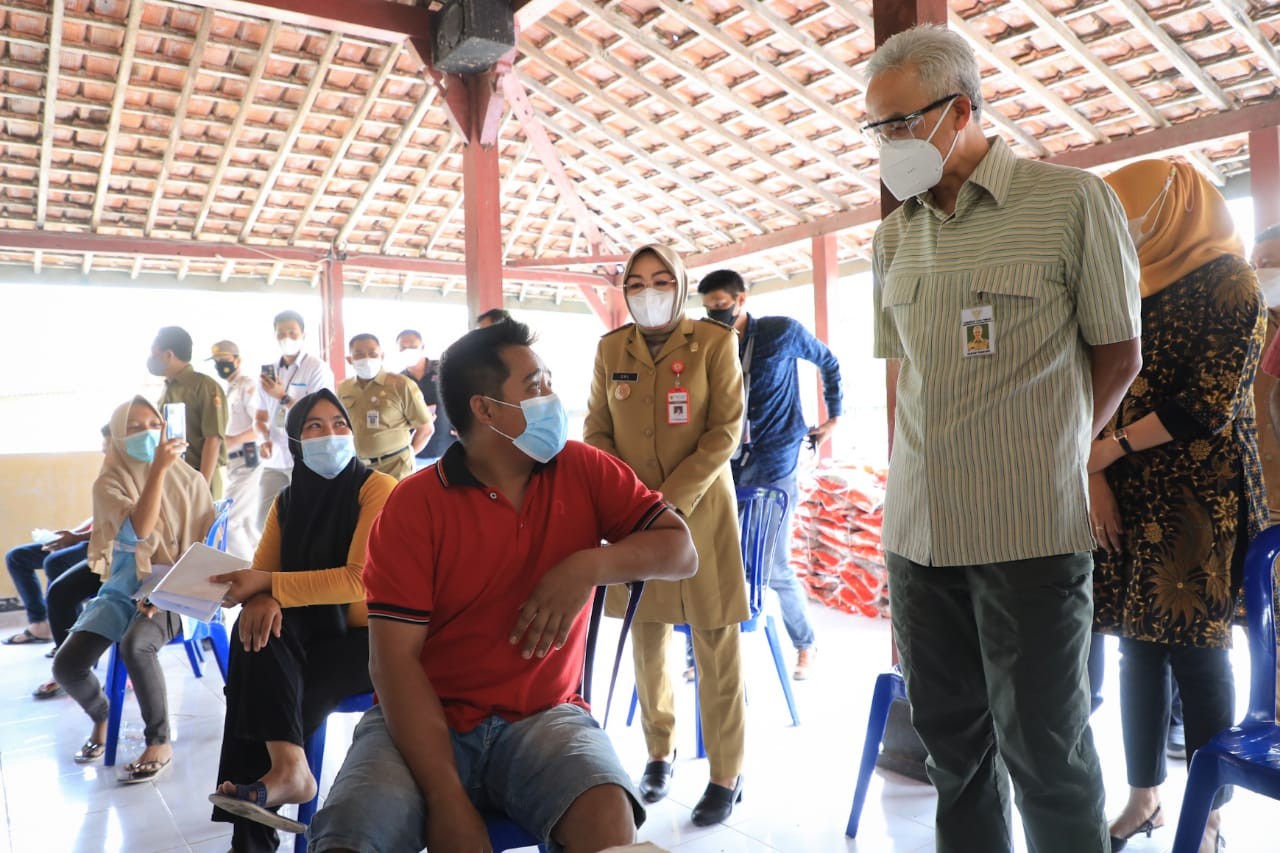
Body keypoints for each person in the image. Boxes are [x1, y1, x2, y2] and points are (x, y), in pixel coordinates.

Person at [865, 25, 1142, 853]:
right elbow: (902, 378)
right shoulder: (893, 238)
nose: (886, 144)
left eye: (897, 123)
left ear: (959, 110)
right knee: (954, 757)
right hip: (920, 538)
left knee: (1047, 757)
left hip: (1027, 533)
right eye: (875, 129)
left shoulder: (1069, 202)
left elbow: (1119, 354)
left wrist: (1054, 453)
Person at [306, 320, 697, 853]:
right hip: (423, 721)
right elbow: (393, 663)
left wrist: (585, 566)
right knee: (350, 835)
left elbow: (681, 551)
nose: (552, 398)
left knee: (609, 817)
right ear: (486, 410)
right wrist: (448, 800)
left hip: (546, 716)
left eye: (550, 382)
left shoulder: (581, 468)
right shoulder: (414, 506)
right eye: (535, 387)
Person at [1090, 159, 1266, 853]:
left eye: (1136, 217)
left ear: (1175, 209)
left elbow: (1208, 404)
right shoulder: (1132, 288)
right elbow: (1094, 388)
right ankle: (1144, 798)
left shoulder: (1234, 283)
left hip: (1201, 494)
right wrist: (1096, 470)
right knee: (1138, 650)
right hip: (1131, 490)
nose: (1128, 232)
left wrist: (1109, 450)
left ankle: (1210, 809)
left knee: (1197, 651)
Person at [585, 244, 749, 826]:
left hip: (701, 517)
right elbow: (596, 430)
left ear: (680, 286)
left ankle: (727, 771)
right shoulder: (612, 349)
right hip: (634, 522)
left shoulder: (714, 343)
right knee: (646, 638)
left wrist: (666, 501)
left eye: (660, 281)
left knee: (716, 643)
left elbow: (726, 431)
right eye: (636, 283)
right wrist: (629, 504)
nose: (648, 292)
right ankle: (660, 752)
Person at [208, 390, 395, 852]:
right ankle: (287, 774)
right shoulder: (288, 503)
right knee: (257, 633)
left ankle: (254, 837)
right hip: (313, 635)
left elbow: (357, 581)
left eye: (339, 424)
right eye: (314, 426)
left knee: (261, 691)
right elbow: (261, 576)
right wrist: (258, 598)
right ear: (295, 440)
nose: (329, 434)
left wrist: (269, 590)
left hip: (373, 636)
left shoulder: (377, 489)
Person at [51, 396, 214, 781]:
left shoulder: (189, 477)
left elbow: (206, 546)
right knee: (67, 665)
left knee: (136, 644)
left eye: (154, 425)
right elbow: (138, 532)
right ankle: (104, 717)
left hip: (178, 586)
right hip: (124, 588)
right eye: (135, 428)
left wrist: (169, 591)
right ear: (119, 438)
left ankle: (159, 740)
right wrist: (157, 470)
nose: (148, 434)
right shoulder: (110, 482)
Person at [697, 267, 843, 680]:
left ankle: (805, 645)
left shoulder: (781, 333)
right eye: (708, 309)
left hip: (776, 461)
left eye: (721, 307)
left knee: (773, 565)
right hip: (727, 463)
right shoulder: (708, 344)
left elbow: (828, 363)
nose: (715, 315)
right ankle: (700, 657)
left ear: (741, 300)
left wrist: (834, 417)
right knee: (713, 559)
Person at [254, 310, 335, 530]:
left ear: (303, 335)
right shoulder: (268, 373)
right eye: (281, 333)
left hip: (306, 456)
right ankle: (272, 564)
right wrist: (264, 438)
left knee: (307, 520)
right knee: (264, 522)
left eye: (292, 332)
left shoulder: (316, 368)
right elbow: (260, 416)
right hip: (275, 459)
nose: (286, 337)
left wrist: (283, 397)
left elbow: (321, 413)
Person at [337, 333, 433, 481]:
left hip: (396, 469)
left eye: (373, 353)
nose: (367, 358)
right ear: (349, 360)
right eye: (359, 354)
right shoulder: (344, 389)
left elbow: (425, 429)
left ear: (382, 356)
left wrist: (407, 454)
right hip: (359, 469)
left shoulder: (401, 385)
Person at [151, 325, 228, 498]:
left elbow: (213, 439)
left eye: (154, 353)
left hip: (197, 479)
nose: (151, 358)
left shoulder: (204, 386)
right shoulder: (168, 387)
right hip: (173, 477)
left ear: (168, 355)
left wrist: (201, 486)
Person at [211, 340, 264, 560]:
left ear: (238, 360)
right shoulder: (227, 390)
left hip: (248, 459)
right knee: (247, 524)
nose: (221, 365)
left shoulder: (248, 387)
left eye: (225, 360)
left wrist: (231, 440)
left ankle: (247, 574)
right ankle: (263, 571)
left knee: (228, 520)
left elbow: (261, 427)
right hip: (233, 463)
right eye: (217, 362)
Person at [5, 523, 91, 646]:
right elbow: (96, 517)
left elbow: (117, 526)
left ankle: (72, 640)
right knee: (16, 557)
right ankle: (39, 624)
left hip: (104, 544)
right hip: (86, 539)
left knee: (56, 562)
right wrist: (65, 537)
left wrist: (77, 538)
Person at [397, 328, 455, 464]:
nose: (408, 350)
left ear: (422, 347)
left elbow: (464, 395)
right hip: (417, 453)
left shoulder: (444, 369)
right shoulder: (398, 381)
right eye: (403, 348)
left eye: (412, 346)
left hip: (447, 448)